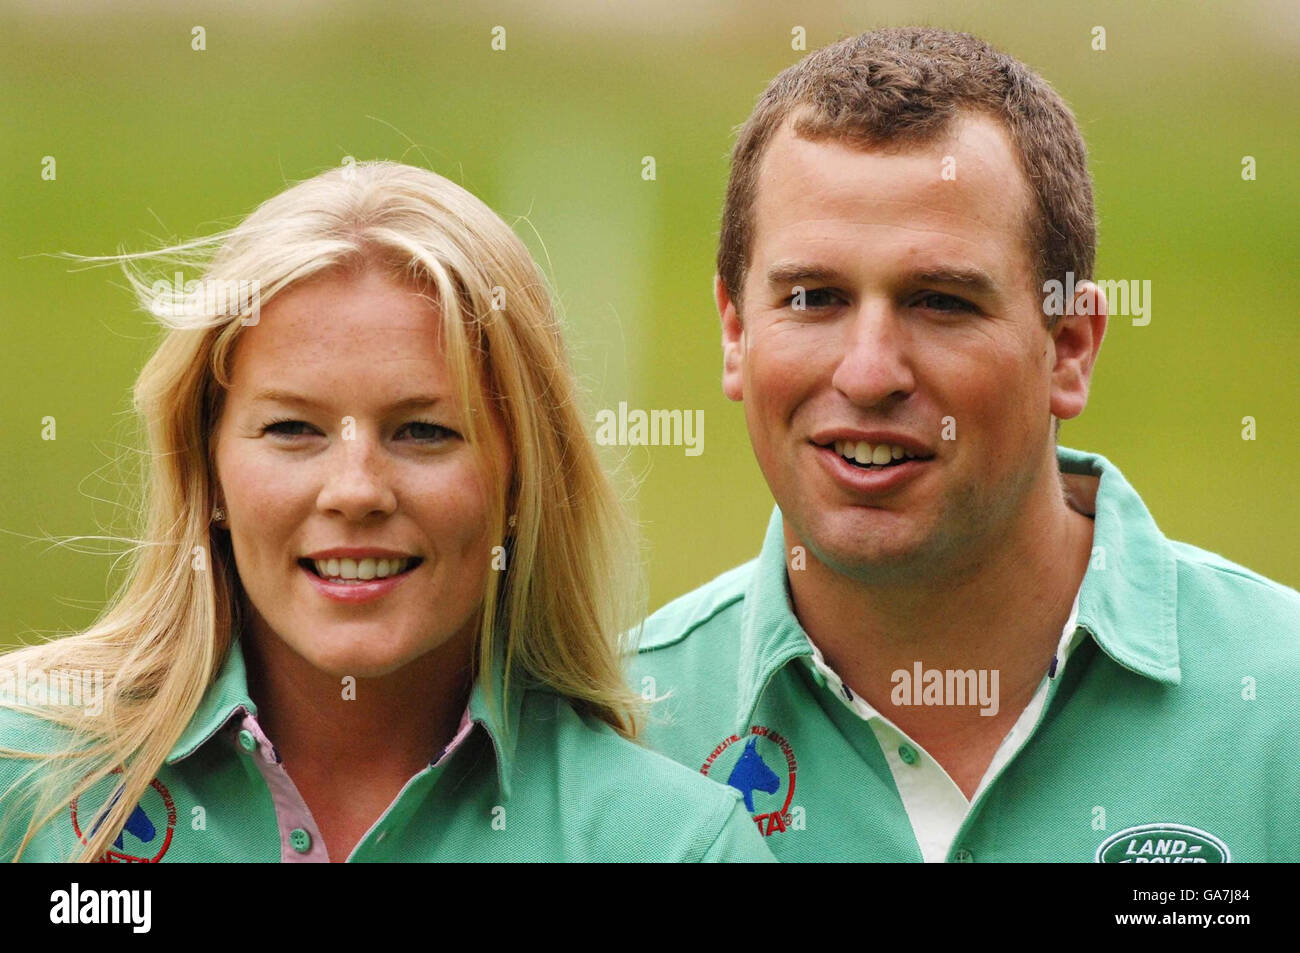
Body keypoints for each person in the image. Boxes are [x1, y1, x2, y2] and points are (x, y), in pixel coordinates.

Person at [632, 27, 1300, 862]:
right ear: (735, 333)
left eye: (941, 302)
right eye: (813, 297)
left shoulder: (1281, 710)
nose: (870, 373)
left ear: (1069, 348)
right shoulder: (622, 731)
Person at [0, 160, 774, 862]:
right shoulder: (24, 774)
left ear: (520, 481)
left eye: (424, 431)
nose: (357, 489)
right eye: (293, 428)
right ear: (207, 471)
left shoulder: (672, 844)